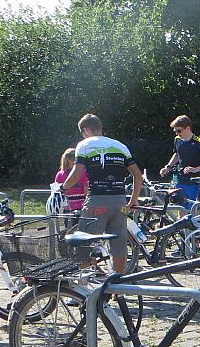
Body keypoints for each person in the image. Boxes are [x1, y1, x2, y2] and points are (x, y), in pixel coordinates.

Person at [60, 113, 142, 273]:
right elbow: (137, 175)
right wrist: (134, 200)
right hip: (120, 202)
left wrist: (63, 187)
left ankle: (82, 284)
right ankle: (117, 283)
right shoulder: (120, 146)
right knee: (119, 245)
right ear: (99, 127)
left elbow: (76, 174)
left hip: (96, 201)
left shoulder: (84, 145)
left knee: (83, 245)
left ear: (85, 130)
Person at [159, 115, 200, 202]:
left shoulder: (199, 142)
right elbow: (177, 154)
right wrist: (168, 167)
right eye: (175, 131)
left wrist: (195, 169)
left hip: (194, 181)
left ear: (188, 128)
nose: (177, 134)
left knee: (191, 207)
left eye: (179, 131)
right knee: (178, 205)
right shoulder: (177, 139)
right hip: (179, 180)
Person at [54, 148, 88, 212]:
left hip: (65, 207)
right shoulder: (84, 173)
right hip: (82, 207)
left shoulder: (60, 174)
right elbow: (86, 192)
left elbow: (56, 193)